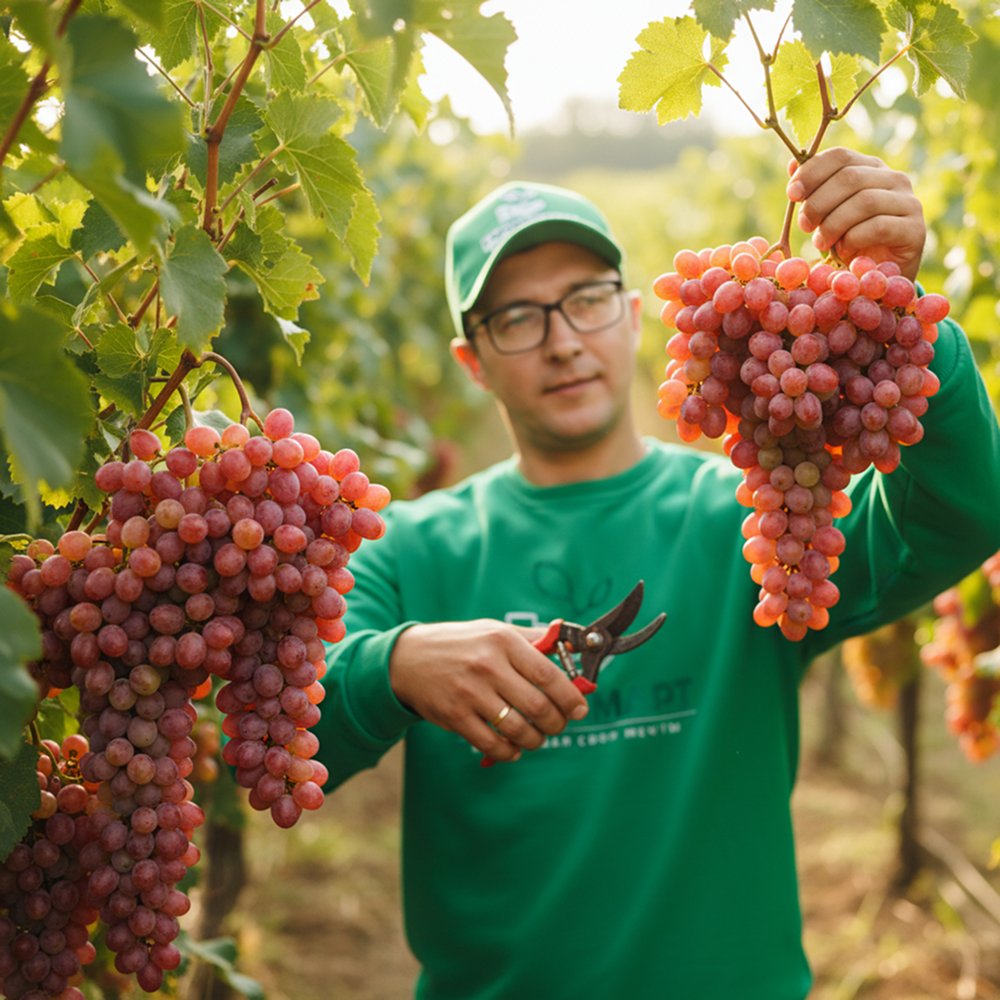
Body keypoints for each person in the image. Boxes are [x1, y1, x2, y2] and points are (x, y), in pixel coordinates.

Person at [315, 147, 1000, 1000]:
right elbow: (272, 740)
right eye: (517, 318)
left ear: (635, 316)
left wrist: (903, 320)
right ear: (473, 361)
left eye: (586, 300)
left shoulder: (752, 523)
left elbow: (960, 512)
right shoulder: (407, 549)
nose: (562, 340)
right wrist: (394, 666)